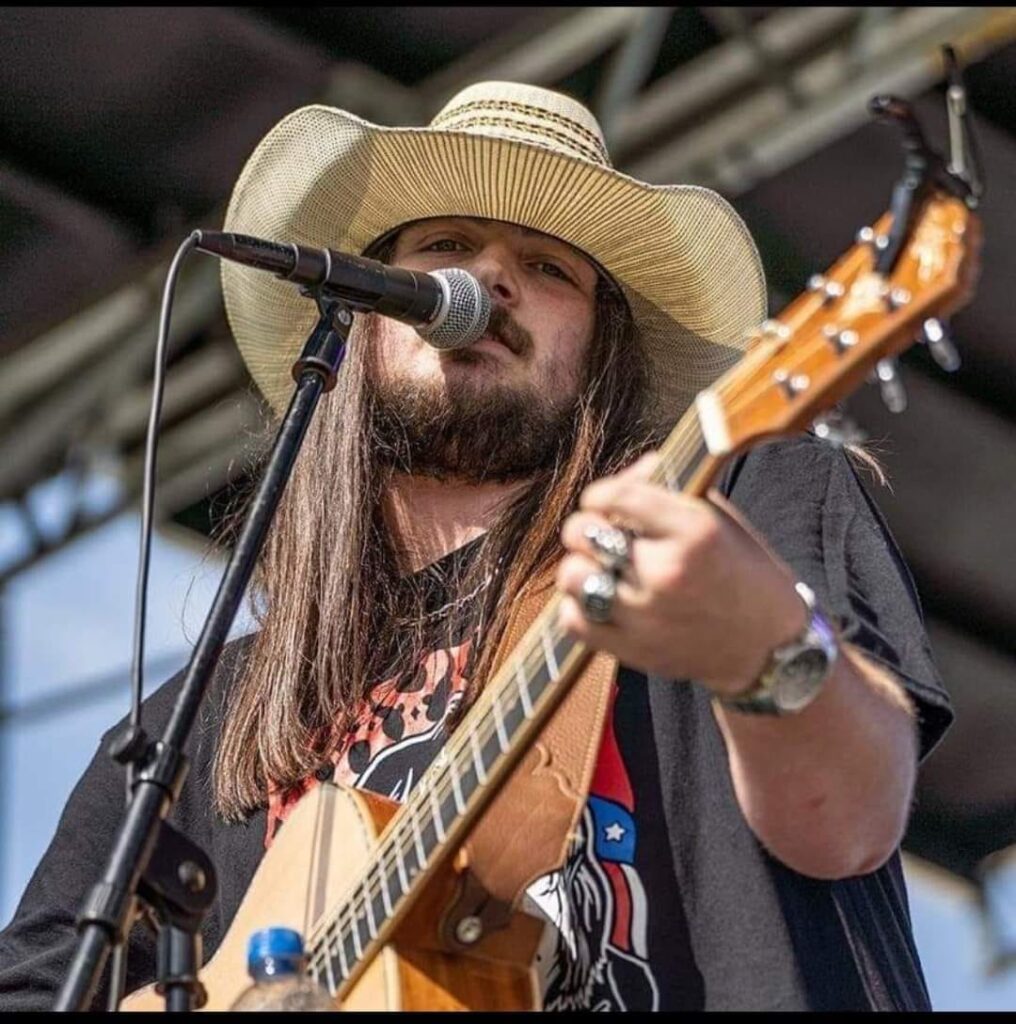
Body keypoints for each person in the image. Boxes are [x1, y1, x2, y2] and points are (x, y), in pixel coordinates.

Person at [0, 81, 952, 1012]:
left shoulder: (723, 506)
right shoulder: (202, 722)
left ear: (604, 350)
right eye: (446, 246)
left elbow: (852, 822)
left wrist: (761, 647)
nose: (489, 279)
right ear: (364, 316)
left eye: (549, 269)